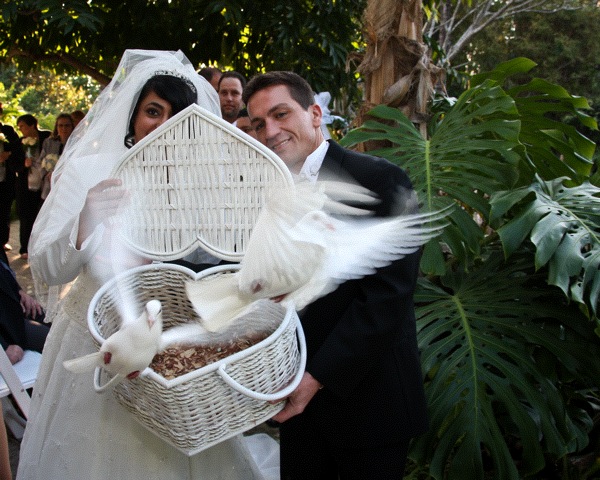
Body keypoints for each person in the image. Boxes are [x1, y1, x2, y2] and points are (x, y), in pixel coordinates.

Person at [17, 49, 269, 480]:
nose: (164, 124)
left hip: (169, 351)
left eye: (177, 115)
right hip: (93, 342)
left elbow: (218, 262)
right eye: (154, 111)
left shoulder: (199, 181)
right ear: (133, 115)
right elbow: (45, 269)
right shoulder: (89, 170)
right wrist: (85, 221)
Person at [243, 71, 429, 479]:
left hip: (369, 402)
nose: (270, 131)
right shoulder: (263, 199)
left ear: (314, 113)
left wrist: (315, 379)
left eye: (280, 114)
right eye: (259, 124)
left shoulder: (381, 179)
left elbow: (387, 296)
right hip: (296, 407)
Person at [0, 256, 49, 364]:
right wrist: (3, 348)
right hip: (7, 331)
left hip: (14, 307)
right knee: (57, 341)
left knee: (60, 324)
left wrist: (19, 291)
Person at [16, 114, 50, 259]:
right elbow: (14, 164)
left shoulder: (47, 138)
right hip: (26, 184)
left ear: (32, 125)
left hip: (44, 183)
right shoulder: (19, 142)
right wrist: (24, 165)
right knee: (26, 216)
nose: (21, 130)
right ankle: (25, 248)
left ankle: (41, 246)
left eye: (23, 126)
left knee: (41, 215)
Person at [0, 106, 25, 255]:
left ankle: (3, 241)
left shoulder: (7, 130)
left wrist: (7, 154)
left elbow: (18, 148)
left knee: (4, 211)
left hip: (5, 178)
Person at [38, 113, 75, 200]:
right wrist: (47, 174)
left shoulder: (77, 143)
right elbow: (41, 161)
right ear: (56, 127)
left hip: (69, 185)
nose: (63, 128)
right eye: (60, 125)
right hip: (49, 185)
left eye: (67, 126)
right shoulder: (49, 142)